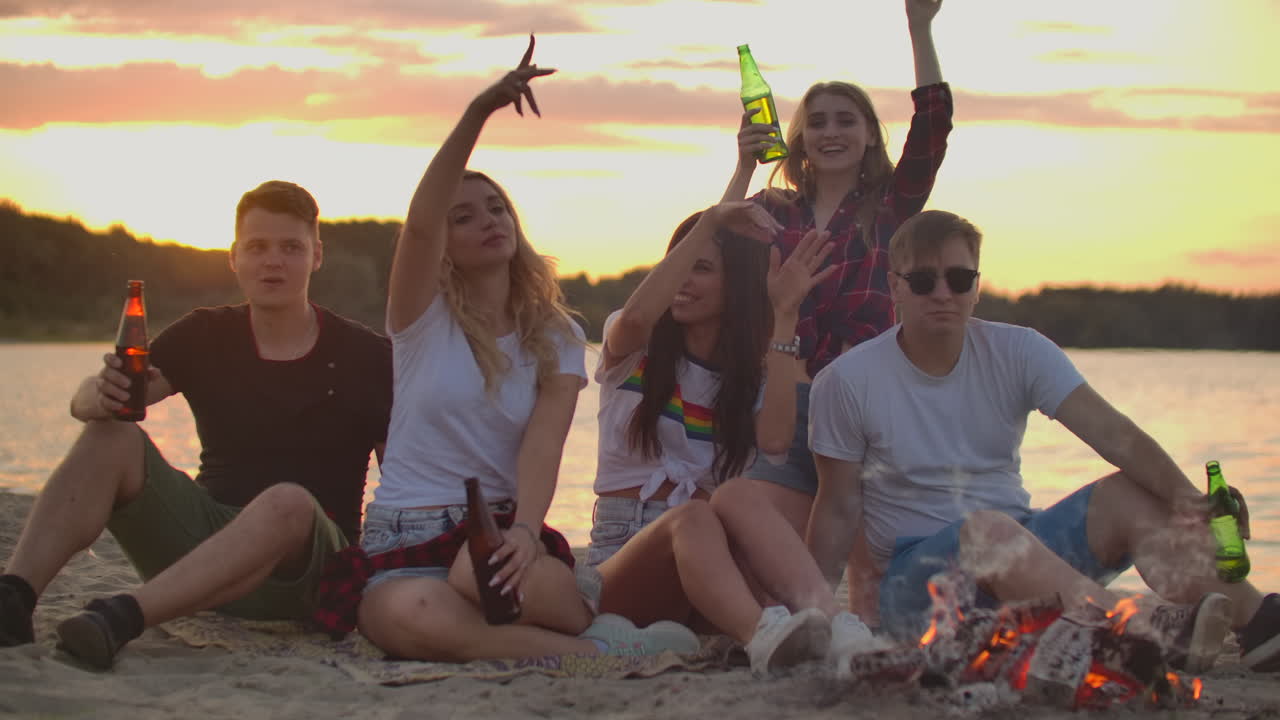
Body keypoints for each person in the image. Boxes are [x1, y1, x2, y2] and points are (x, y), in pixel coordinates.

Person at [805, 209, 1280, 673]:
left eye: (959, 278)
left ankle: (1260, 623)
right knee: (986, 532)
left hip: (1026, 553)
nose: (943, 294)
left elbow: (1114, 433)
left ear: (977, 286)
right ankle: (1138, 627)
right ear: (895, 287)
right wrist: (813, 610)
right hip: (917, 588)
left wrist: (1191, 501)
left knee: (1126, 492)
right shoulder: (848, 381)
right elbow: (838, 508)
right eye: (924, 281)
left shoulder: (1019, 351)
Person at [351, 41, 700, 662]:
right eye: (465, 217)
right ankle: (594, 651)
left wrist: (522, 533)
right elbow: (421, 222)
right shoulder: (420, 320)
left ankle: (564, 617)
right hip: (404, 536)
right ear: (444, 245)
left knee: (477, 574)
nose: (488, 220)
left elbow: (544, 445)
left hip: (502, 530)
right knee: (398, 617)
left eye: (496, 208)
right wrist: (480, 111)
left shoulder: (557, 334)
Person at [0, 180, 394, 669]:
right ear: (233, 257)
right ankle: (13, 598)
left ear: (316, 255)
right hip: (202, 555)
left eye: (290, 247)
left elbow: (401, 483)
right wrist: (95, 396)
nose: (273, 261)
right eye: (257, 247)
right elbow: (104, 402)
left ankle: (121, 617)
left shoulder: (367, 354)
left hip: (310, 569)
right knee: (112, 433)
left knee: (288, 501)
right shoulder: (206, 334)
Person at [710, 0, 954, 623]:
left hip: (870, 405)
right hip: (789, 404)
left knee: (870, 558)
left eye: (847, 120)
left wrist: (919, 27)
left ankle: (868, 640)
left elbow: (933, 124)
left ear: (871, 134)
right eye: (817, 122)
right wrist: (740, 168)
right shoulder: (777, 209)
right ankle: (803, 629)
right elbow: (711, 245)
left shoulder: (893, 206)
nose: (831, 131)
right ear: (801, 139)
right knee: (773, 554)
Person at [587, 207, 880, 674]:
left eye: (701, 269)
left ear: (737, 284)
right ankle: (761, 636)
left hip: (712, 585)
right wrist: (711, 222)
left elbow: (778, 443)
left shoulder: (752, 374)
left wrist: (785, 316)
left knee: (737, 494)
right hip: (629, 565)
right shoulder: (631, 345)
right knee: (694, 519)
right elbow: (641, 315)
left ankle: (836, 624)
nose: (683, 281)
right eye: (680, 266)